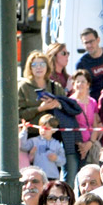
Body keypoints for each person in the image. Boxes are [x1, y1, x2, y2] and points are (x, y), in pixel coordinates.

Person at [17, 51, 80, 184]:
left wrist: (58, 104)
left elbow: (68, 108)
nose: (39, 67)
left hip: (53, 138)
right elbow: (19, 114)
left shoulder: (55, 86)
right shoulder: (23, 87)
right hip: (32, 139)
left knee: (52, 178)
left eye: (42, 64)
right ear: (30, 67)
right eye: (35, 64)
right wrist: (40, 108)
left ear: (47, 66)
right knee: (32, 177)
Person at [70, 69, 102, 166]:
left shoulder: (93, 102)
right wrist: (81, 146)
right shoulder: (70, 102)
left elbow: (95, 125)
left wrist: (90, 143)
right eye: (77, 81)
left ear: (88, 84)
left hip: (90, 145)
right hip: (74, 146)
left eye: (83, 81)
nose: (80, 84)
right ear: (73, 84)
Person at [21, 114, 65, 180]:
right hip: (38, 176)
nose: (43, 130)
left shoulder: (57, 144)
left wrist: (56, 158)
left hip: (53, 176)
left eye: (47, 128)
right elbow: (23, 146)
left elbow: (63, 161)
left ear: (54, 130)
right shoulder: (34, 141)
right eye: (41, 127)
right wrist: (24, 130)